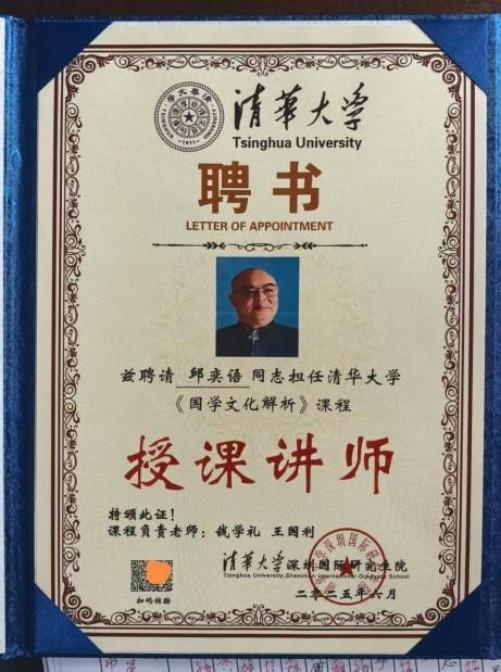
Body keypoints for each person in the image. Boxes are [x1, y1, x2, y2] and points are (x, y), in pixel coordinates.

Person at [216, 267, 298, 357]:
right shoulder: (217, 340)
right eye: (250, 292)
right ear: (233, 300)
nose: (261, 298)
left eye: (268, 290)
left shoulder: (297, 339)